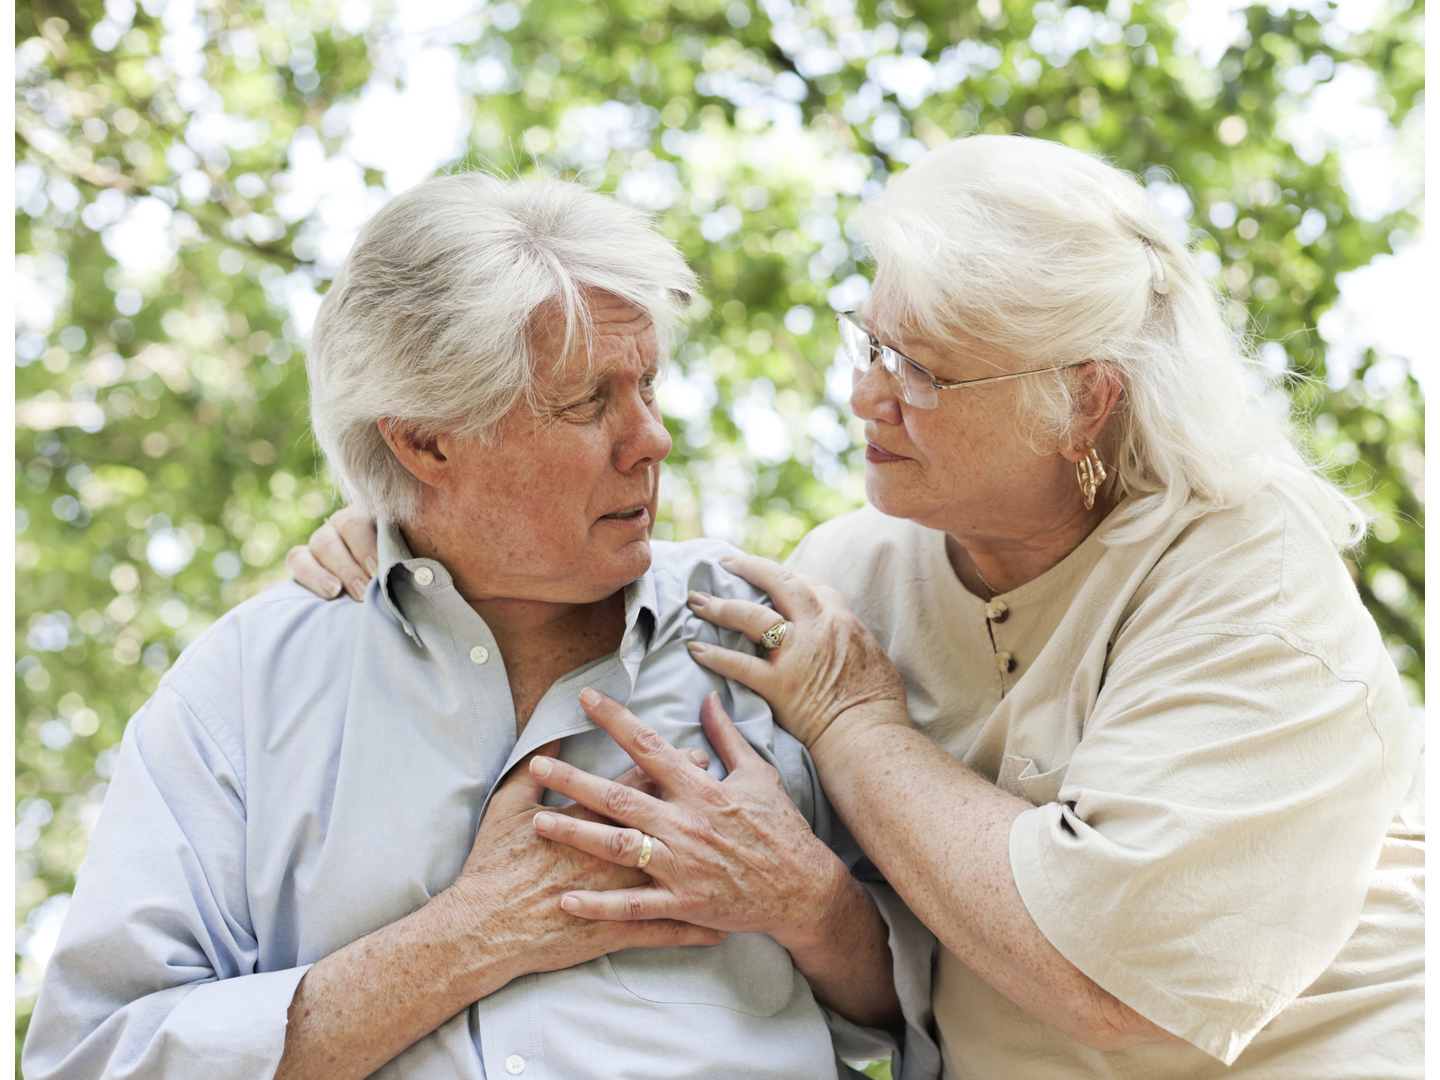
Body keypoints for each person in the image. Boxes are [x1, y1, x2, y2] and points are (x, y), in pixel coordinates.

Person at [293, 136, 1424, 1080]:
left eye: (924, 372)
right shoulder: (851, 570)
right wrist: (407, 528)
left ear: (1083, 399)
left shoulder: (1246, 576)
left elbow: (1126, 984)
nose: (865, 394)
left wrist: (856, 724)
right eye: (871, 341)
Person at [22, 174, 903, 1080]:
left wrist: (812, 904)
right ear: (425, 443)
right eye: (589, 401)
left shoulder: (776, 642)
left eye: (647, 384)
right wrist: (465, 939)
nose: (652, 439)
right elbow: (94, 1061)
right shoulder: (245, 688)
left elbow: (962, 1010)